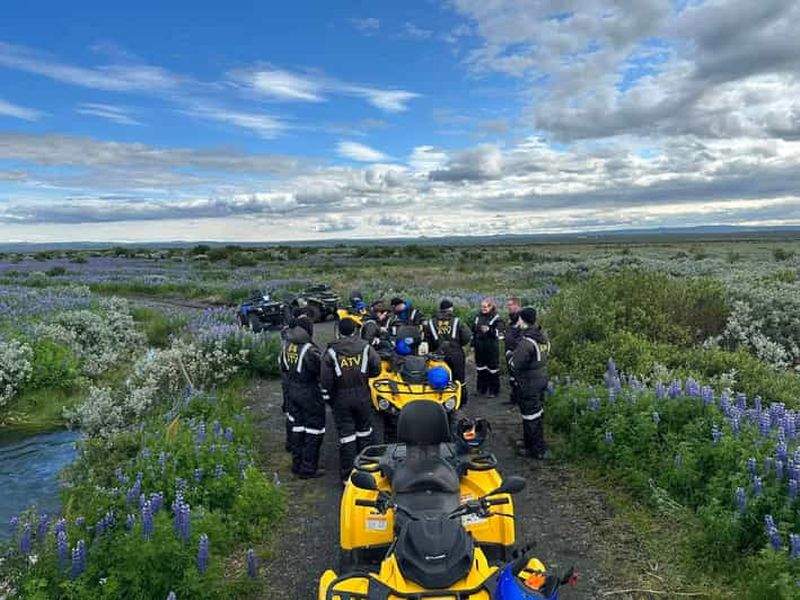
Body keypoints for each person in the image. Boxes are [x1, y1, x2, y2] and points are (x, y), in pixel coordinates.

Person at [321, 317, 382, 484]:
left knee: (347, 437)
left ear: (339, 332)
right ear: (355, 331)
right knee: (365, 432)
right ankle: (366, 470)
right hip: (362, 396)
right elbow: (376, 368)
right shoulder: (365, 348)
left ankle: (348, 476)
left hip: (340, 398)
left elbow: (326, 379)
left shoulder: (331, 352)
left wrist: (329, 396)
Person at [279, 313, 326, 478]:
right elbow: (321, 372)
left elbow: (283, 368)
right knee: (314, 430)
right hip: (309, 392)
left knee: (297, 428)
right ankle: (308, 469)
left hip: (292, 390)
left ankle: (296, 464)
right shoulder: (310, 349)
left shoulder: (286, 345)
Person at [508, 307, 550, 459]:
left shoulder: (526, 342)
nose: (517, 321)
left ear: (523, 320)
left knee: (530, 416)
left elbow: (514, 364)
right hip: (541, 379)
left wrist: (509, 356)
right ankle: (531, 443)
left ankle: (536, 450)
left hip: (529, 383)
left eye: (519, 318)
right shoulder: (542, 336)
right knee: (537, 413)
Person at [279, 307, 315, 452]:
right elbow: (315, 369)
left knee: (293, 418)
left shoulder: (287, 343)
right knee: (305, 423)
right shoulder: (306, 348)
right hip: (302, 386)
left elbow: (282, 365)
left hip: (289, 384)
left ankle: (292, 446)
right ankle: (299, 452)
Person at [425, 299, 472, 405]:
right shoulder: (457, 321)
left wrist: (433, 350)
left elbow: (427, 339)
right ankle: (460, 401)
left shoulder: (431, 323)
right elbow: (467, 336)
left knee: (439, 377)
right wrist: (459, 344)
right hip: (456, 353)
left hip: (438, 354)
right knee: (459, 379)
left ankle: (440, 401)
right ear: (451, 308)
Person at [472, 298, 505, 397]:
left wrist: (489, 330)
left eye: (485, 307)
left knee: (492, 370)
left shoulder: (497, 318)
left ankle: (494, 391)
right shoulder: (477, 316)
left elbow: (500, 334)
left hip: (491, 348)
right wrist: (473, 343)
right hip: (479, 348)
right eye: (482, 307)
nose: (483, 309)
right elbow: (473, 330)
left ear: (491, 307)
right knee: (480, 369)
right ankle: (481, 389)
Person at [504, 297, 523, 406]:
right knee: (512, 377)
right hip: (509, 351)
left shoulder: (520, 319)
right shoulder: (511, 319)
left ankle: (519, 400)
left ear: (517, 305)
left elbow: (522, 336)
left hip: (516, 352)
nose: (508, 307)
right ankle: (514, 398)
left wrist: (513, 349)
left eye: (510, 305)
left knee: (518, 377)